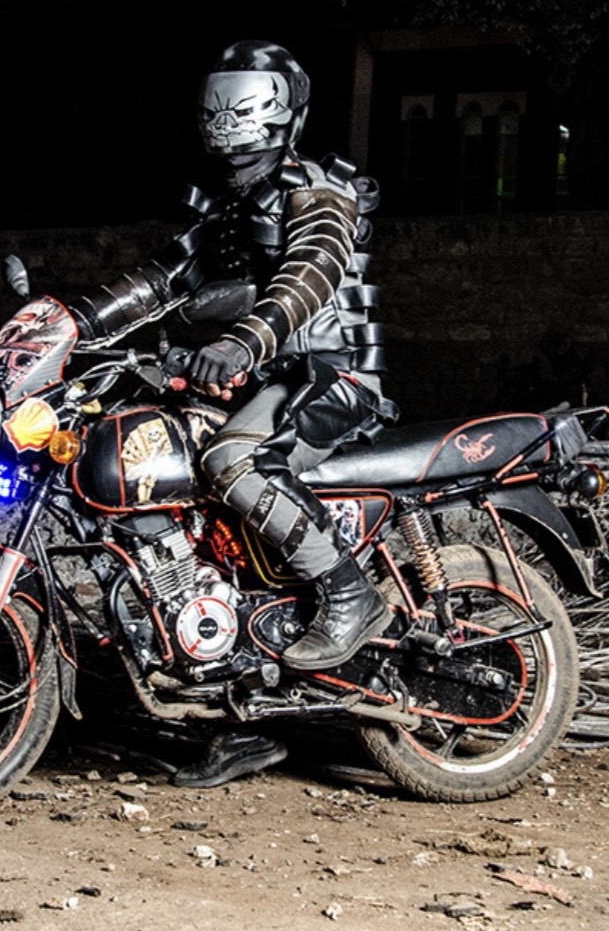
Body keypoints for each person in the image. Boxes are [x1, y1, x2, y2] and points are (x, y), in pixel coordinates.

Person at [70, 40, 396, 787]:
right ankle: (235, 698)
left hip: (329, 375)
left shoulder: (318, 188)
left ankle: (349, 593)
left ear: (283, 106)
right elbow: (158, 281)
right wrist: (71, 324)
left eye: (245, 94)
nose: (229, 111)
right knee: (169, 487)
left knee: (231, 461)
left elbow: (311, 270)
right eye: (221, 93)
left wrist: (246, 341)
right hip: (255, 378)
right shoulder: (220, 206)